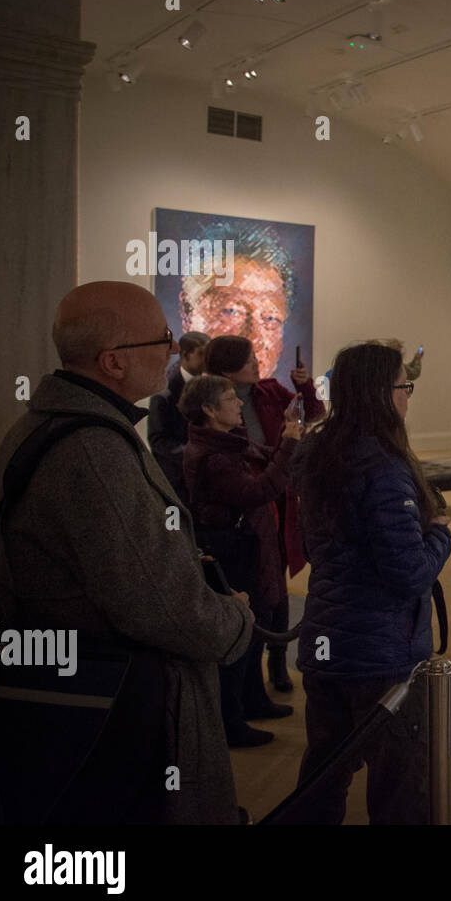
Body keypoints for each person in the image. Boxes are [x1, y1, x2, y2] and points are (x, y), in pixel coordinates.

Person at [0, 281, 253, 823]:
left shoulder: (49, 423)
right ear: (113, 362)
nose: (174, 349)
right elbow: (164, 609)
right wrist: (235, 621)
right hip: (117, 704)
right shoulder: (94, 449)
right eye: (163, 338)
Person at [292, 340, 451, 823]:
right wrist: (441, 535)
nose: (409, 396)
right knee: (399, 784)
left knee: (324, 773)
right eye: (406, 386)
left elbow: (316, 546)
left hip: (325, 636)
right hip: (382, 655)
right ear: (382, 394)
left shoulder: (315, 451)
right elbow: (409, 574)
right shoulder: (383, 468)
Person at [181, 374, 301, 747]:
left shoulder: (228, 442)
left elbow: (265, 460)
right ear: (209, 409)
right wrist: (289, 446)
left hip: (249, 545)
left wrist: (287, 439)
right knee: (240, 632)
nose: (238, 404)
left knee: (255, 628)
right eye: (231, 398)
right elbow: (259, 490)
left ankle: (254, 700)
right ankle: (231, 722)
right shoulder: (213, 456)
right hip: (233, 551)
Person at [205, 334, 324, 692]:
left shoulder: (269, 391)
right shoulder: (211, 404)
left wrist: (304, 389)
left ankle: (276, 664)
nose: (257, 363)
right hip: (247, 504)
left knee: (278, 583)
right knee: (255, 587)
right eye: (248, 360)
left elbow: (313, 413)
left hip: (278, 496)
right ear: (227, 369)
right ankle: (250, 682)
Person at [178, 220, 294, 381]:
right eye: (232, 311)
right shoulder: (169, 398)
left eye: (270, 318)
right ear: (188, 311)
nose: (254, 340)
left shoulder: (275, 399)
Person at [148, 330, 210, 502]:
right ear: (185, 355)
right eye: (201, 354)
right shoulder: (164, 393)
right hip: (177, 481)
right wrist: (195, 453)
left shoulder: (207, 385)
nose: (207, 360)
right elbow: (158, 442)